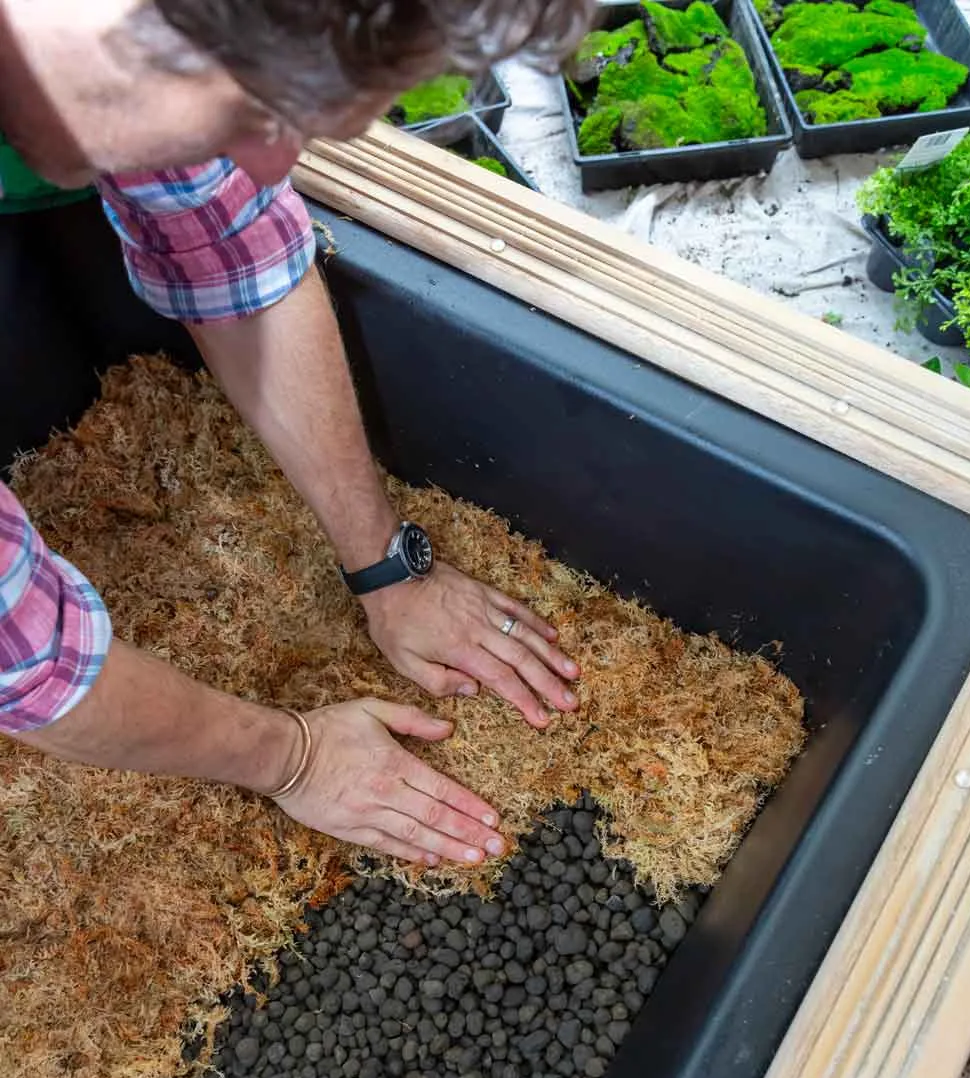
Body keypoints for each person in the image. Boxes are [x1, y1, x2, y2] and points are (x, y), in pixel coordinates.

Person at [0, 0, 590, 869]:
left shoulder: (123, 44)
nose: (277, 163)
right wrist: (296, 756)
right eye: (259, 108)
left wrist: (388, 564)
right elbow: (30, 662)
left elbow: (239, 266)